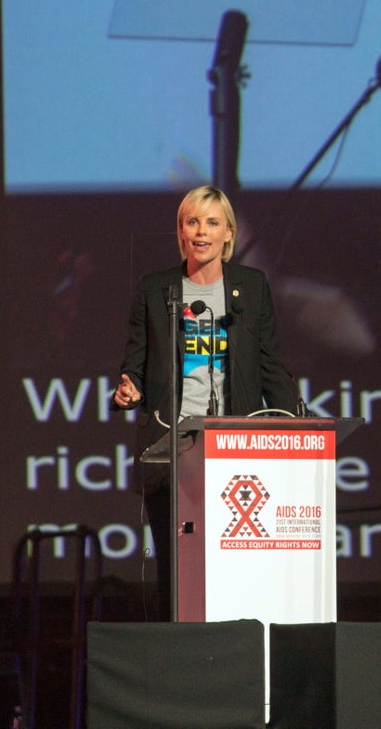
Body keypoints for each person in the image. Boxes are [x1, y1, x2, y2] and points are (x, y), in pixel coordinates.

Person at [113, 184, 301, 618]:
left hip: (238, 450)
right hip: (172, 451)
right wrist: (127, 391)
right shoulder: (156, 289)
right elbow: (133, 366)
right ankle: (176, 661)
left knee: (237, 564)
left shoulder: (251, 288)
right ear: (181, 233)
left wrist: (293, 428)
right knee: (175, 573)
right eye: (192, 222)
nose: (202, 232)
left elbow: (271, 364)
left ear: (229, 234)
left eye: (212, 223)